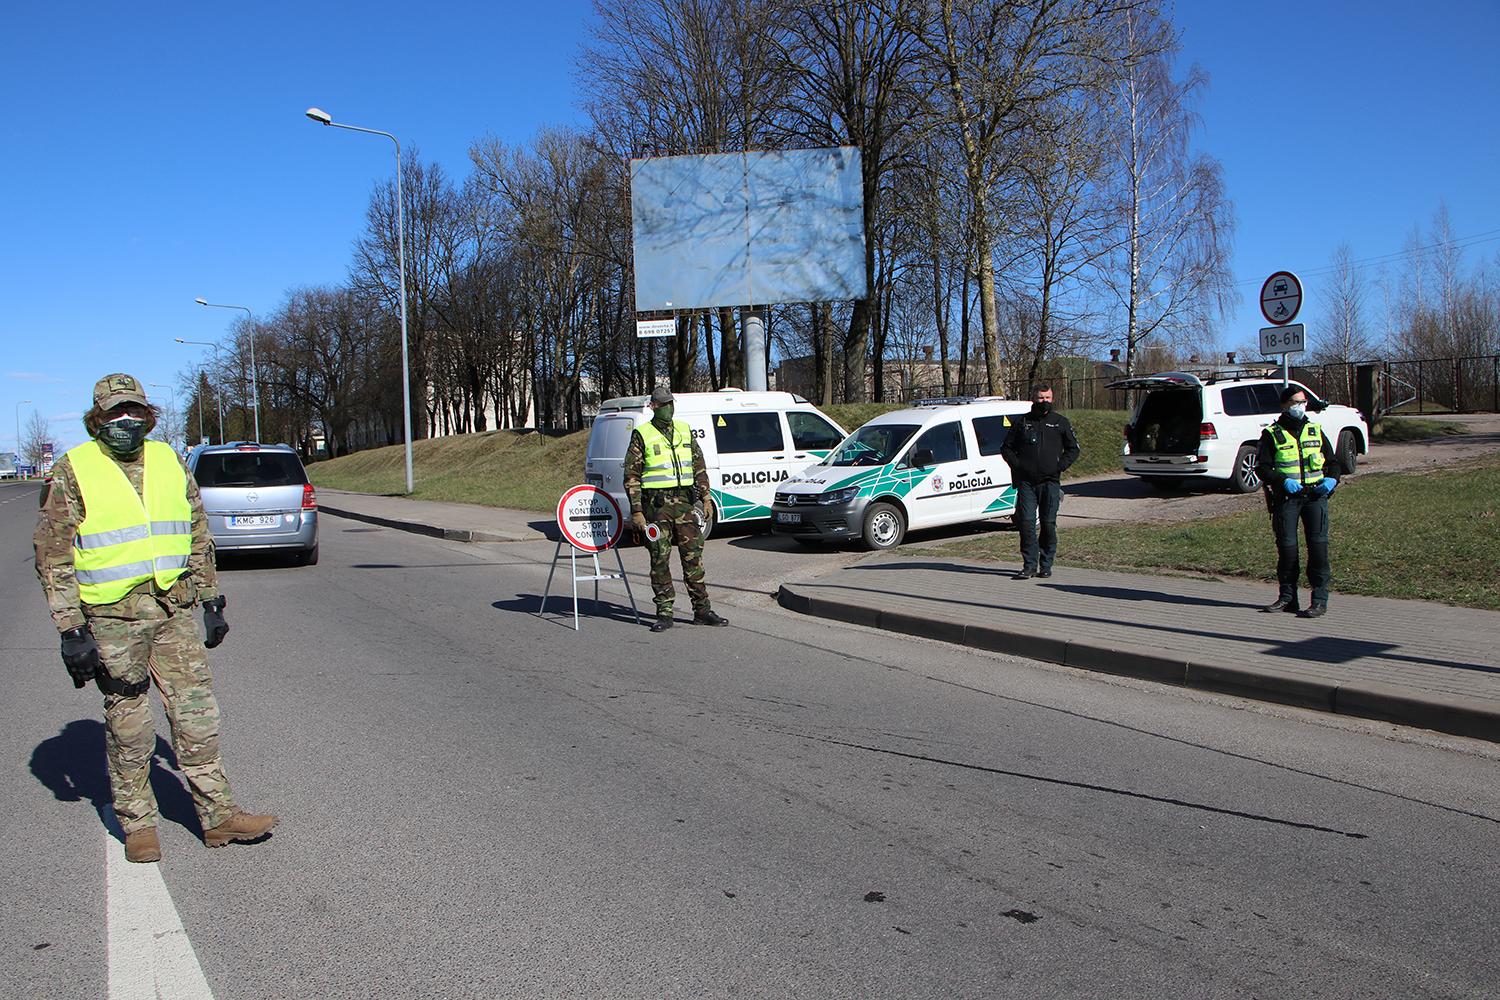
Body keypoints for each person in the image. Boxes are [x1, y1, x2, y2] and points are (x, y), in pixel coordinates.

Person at [34, 374, 277, 863]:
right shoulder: (74, 468)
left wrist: (211, 600)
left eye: (135, 412)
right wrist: (71, 629)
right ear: (97, 419)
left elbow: (197, 532)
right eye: (114, 414)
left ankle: (218, 816)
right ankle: (138, 824)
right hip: (111, 619)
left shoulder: (168, 460)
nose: (126, 421)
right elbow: (53, 552)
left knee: (198, 715)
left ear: (148, 415)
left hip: (173, 609)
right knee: (130, 724)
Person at [623, 386, 729, 633]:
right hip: (656, 508)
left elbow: (699, 465)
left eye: (671, 403)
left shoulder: (684, 429)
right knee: (659, 559)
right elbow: (631, 475)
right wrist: (637, 511)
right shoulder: (642, 434)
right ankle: (665, 612)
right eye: (663, 404)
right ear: (654, 408)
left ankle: (702, 611)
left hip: (684, 504)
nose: (669, 408)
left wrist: (705, 497)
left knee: (693, 557)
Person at [1255, 385, 1348, 618]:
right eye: (1296, 402)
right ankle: (1288, 598)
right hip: (1287, 499)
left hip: (1315, 497)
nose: (1300, 406)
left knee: (1318, 549)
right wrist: (1282, 481)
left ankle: (1319, 600)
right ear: (1285, 406)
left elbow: (1333, 463)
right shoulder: (1272, 434)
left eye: (1303, 402)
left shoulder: (1315, 431)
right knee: (1287, 550)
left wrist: (1331, 480)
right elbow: (1262, 468)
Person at [1000, 384, 1081, 580]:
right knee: (1027, 523)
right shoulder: (1022, 422)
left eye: (1048, 398)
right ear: (1033, 399)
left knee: (1048, 524)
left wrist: (1059, 466)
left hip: (1050, 482)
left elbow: (1073, 449)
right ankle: (1029, 566)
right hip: (1027, 483)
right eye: (1040, 398)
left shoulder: (1060, 422)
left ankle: (1046, 564)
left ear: (1052, 399)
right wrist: (1018, 466)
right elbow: (1006, 448)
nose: (1044, 401)